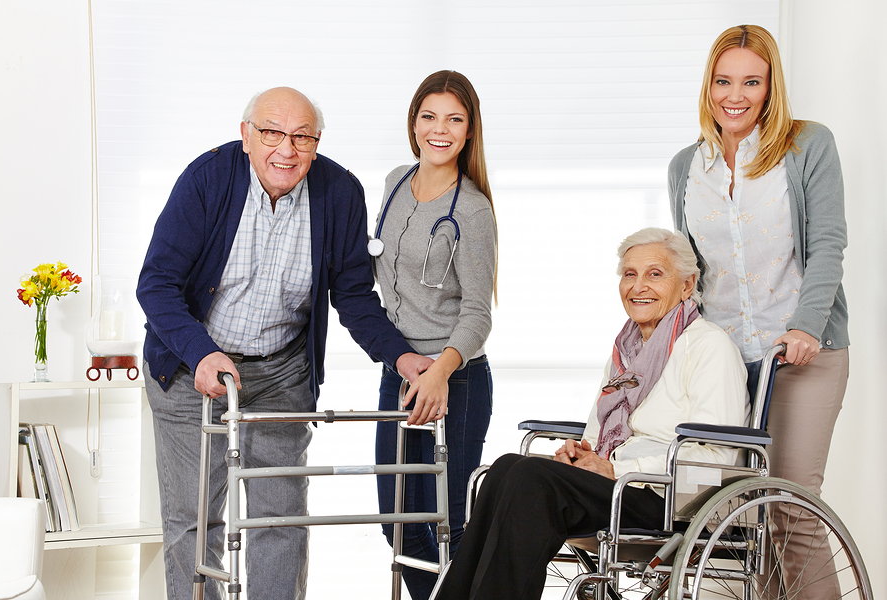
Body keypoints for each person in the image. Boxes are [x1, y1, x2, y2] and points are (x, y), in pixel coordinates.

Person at [136, 87, 432, 600]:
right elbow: (156, 283)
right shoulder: (207, 179)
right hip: (191, 367)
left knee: (282, 517)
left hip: (280, 371)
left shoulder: (339, 192)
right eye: (272, 133)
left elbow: (355, 296)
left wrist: (403, 356)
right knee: (195, 517)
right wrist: (202, 353)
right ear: (246, 134)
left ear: (317, 144)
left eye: (302, 137)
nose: (286, 150)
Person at [431, 228, 749, 600]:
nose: (638, 286)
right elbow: (598, 437)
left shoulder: (709, 346)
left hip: (669, 499)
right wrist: (583, 455)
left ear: (687, 285)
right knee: (505, 469)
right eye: (629, 274)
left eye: (655, 274)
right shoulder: (626, 350)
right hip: (618, 487)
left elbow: (715, 460)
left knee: (532, 480)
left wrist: (616, 469)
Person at [668, 24, 849, 598]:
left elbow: (827, 246)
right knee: (740, 518)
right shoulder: (685, 167)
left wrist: (804, 327)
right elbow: (689, 270)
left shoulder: (807, 146)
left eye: (751, 81)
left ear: (771, 87)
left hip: (800, 355)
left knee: (791, 510)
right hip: (724, 360)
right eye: (723, 81)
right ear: (708, 87)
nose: (735, 96)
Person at [371, 70, 498, 600]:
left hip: (456, 382)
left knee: (449, 527)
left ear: (469, 131)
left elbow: (477, 313)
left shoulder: (471, 208)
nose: (439, 130)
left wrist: (440, 374)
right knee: (398, 522)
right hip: (399, 374)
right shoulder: (395, 182)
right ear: (413, 123)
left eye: (454, 119)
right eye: (429, 117)